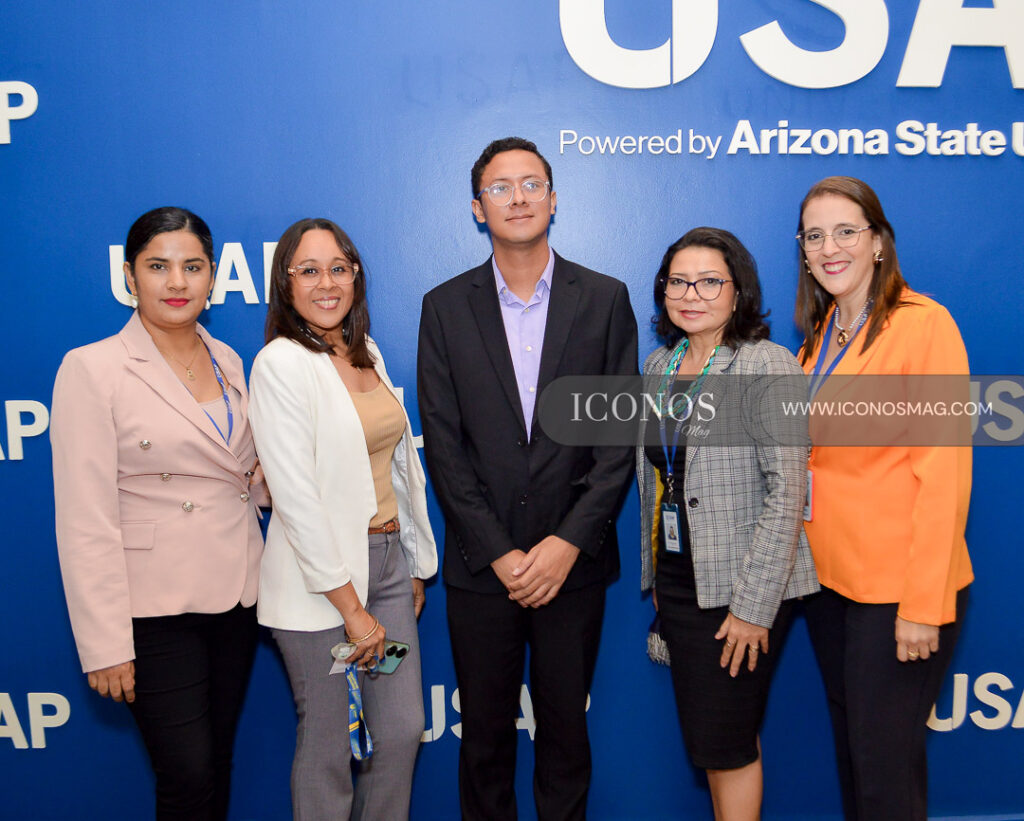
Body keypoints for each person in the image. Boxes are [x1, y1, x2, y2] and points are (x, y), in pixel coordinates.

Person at [417, 136, 638, 821]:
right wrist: (503, 552)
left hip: (573, 565)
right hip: (483, 569)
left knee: (565, 736)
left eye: (531, 183)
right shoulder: (445, 306)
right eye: (500, 186)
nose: (517, 197)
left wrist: (567, 543)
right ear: (477, 208)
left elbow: (615, 440)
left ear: (553, 197)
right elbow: (445, 450)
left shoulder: (603, 299)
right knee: (483, 741)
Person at [51, 207, 265, 821]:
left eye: (192, 267)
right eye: (158, 266)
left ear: (213, 276)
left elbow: (237, 475)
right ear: (129, 275)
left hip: (235, 596)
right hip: (150, 609)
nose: (177, 282)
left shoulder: (228, 359)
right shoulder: (92, 368)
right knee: (187, 773)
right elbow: (84, 517)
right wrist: (104, 644)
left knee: (215, 764)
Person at [794, 176, 973, 820]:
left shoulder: (923, 325)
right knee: (856, 759)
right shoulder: (821, 335)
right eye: (815, 235)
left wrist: (924, 603)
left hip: (899, 592)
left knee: (885, 776)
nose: (829, 246)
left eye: (846, 230)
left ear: (877, 241)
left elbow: (944, 471)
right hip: (830, 586)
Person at [248, 218, 437, 820]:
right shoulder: (281, 364)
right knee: (330, 744)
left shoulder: (365, 354)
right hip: (321, 587)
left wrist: (406, 561)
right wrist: (351, 609)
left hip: (384, 570)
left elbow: (397, 470)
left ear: (355, 275)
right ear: (286, 283)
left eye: (338, 268)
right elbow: (296, 498)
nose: (325, 283)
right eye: (308, 270)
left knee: (403, 730)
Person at [637, 227, 818, 821]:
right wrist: (660, 579)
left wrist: (752, 607)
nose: (691, 293)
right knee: (722, 739)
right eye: (678, 280)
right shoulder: (659, 366)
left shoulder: (769, 364)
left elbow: (787, 493)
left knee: (726, 743)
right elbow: (661, 481)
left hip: (742, 587)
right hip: (683, 581)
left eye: (709, 280)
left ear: (738, 291)